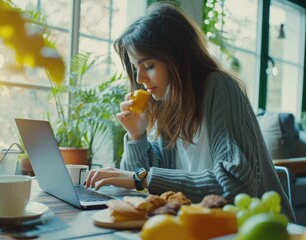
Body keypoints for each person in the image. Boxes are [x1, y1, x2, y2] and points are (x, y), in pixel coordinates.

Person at [85, 2, 295, 221]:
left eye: (148, 66)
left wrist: (142, 179)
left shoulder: (219, 87)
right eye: (136, 68)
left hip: (260, 227)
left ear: (177, 58)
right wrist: (136, 136)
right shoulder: (167, 103)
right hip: (202, 226)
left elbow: (236, 185)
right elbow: (140, 185)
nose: (139, 79)